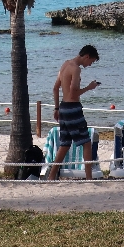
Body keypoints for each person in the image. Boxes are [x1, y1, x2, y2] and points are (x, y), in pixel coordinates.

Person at [47, 45, 100, 180]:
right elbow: (73, 93)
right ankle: (89, 178)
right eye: (91, 61)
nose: (90, 64)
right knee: (86, 143)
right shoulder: (76, 69)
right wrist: (89, 87)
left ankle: (52, 176)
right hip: (73, 109)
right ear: (87, 56)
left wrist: (57, 108)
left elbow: (55, 88)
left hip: (63, 108)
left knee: (65, 144)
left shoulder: (65, 64)